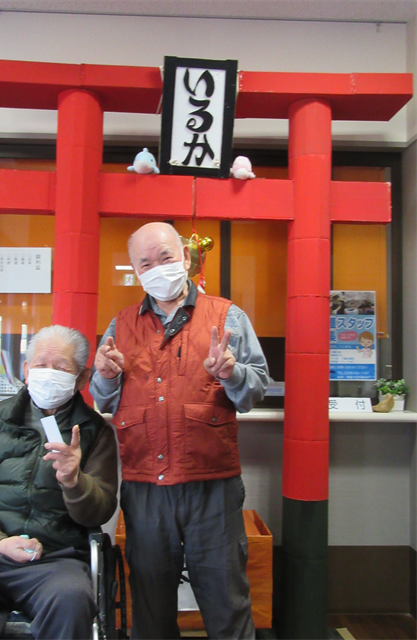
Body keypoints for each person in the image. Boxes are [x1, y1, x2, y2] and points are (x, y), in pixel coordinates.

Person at [90, 222, 269, 640]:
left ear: (186, 258)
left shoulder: (227, 316)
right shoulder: (121, 324)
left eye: (166, 257)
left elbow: (255, 389)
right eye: (145, 263)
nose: (157, 268)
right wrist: (105, 376)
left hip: (212, 485)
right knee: (149, 607)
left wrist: (232, 372)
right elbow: (103, 399)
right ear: (136, 270)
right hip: (144, 487)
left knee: (227, 601)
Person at [0, 325, 118, 640]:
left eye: (61, 368)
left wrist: (74, 481)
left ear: (81, 378)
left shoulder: (94, 432)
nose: (49, 373)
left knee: (71, 602)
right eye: (40, 365)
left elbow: (99, 512)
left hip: (56, 559)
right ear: (25, 370)